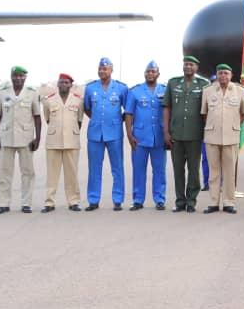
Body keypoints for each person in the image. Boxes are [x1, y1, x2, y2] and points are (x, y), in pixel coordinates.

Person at [163, 56, 210, 213]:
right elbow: (167, 107)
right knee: (178, 170)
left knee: (193, 170)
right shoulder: (173, 83)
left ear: (196, 67)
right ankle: (180, 201)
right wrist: (166, 132)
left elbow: (208, 109)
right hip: (176, 134)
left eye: (191, 64)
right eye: (186, 64)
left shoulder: (204, 84)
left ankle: (191, 201)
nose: (188, 67)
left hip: (195, 134)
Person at [200, 64, 244, 214]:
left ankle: (229, 202)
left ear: (231, 75)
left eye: (226, 73)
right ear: (217, 75)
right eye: (220, 73)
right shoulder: (207, 91)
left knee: (229, 172)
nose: (223, 76)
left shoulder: (239, 91)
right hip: (212, 136)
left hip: (231, 137)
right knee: (214, 172)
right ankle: (213, 202)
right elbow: (204, 113)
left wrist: (233, 124)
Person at [0, 66, 41, 214]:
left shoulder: (32, 93)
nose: (18, 78)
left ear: (25, 78)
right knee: (4, 172)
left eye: (21, 76)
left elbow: (37, 117)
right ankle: (3, 203)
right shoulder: (2, 92)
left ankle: (26, 203)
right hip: (6, 137)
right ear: (11, 76)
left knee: (28, 172)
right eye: (15, 75)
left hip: (26, 139)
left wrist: (37, 138)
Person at [83, 57, 128, 211]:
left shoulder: (121, 88)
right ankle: (93, 200)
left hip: (114, 133)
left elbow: (128, 110)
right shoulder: (90, 88)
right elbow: (87, 108)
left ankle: (118, 200)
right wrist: (97, 120)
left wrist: (117, 120)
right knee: (94, 168)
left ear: (111, 70)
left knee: (117, 168)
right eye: (100, 69)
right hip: (95, 134)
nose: (102, 71)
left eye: (105, 69)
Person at [125, 61, 168, 211]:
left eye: (153, 71)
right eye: (148, 71)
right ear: (144, 74)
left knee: (159, 171)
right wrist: (129, 134)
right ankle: (138, 200)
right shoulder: (135, 91)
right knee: (138, 170)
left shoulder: (165, 90)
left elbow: (169, 111)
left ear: (158, 74)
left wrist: (168, 133)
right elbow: (128, 113)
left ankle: (159, 199)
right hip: (140, 137)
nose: (150, 74)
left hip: (159, 137)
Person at [41, 73, 83, 212]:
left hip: (72, 141)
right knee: (52, 174)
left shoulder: (78, 100)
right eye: (61, 82)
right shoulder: (48, 100)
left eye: (66, 82)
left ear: (71, 85)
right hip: (54, 141)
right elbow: (47, 118)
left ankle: (73, 201)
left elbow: (79, 120)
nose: (63, 84)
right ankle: (49, 202)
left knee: (72, 174)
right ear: (57, 84)